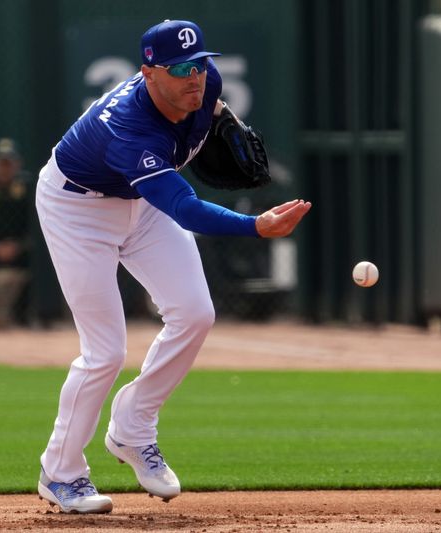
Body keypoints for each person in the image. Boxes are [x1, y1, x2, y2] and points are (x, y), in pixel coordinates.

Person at [34, 19, 311, 514]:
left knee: (195, 313)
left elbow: (207, 116)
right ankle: (61, 473)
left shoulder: (207, 88)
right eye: (181, 68)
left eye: (202, 64)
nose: (196, 78)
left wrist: (217, 114)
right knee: (105, 352)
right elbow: (184, 209)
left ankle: (133, 428)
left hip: (139, 206)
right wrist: (255, 227)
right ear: (148, 73)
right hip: (78, 210)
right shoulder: (128, 129)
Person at [0, 138, 32, 327]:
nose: (5, 168)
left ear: (17, 165)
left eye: (9, 163)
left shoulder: (26, 190)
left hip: (21, 255)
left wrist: (18, 246)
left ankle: (21, 319)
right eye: (1, 163)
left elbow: (34, 228)